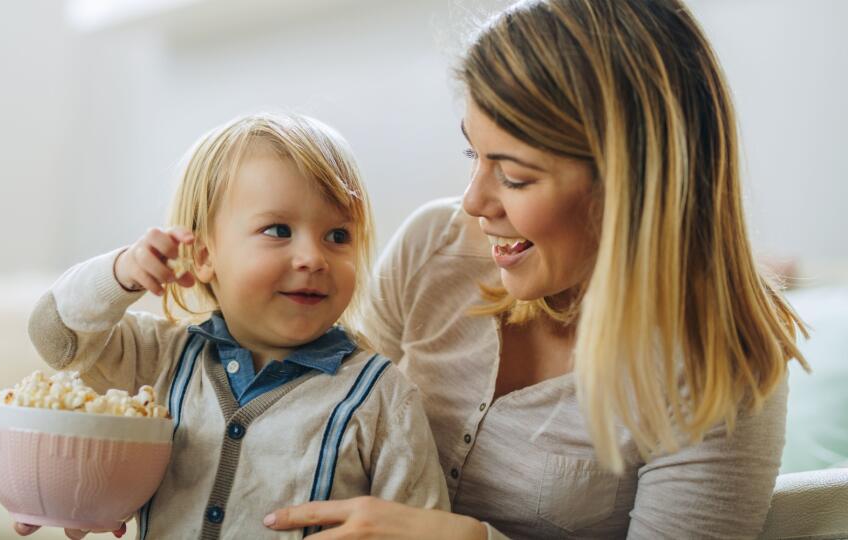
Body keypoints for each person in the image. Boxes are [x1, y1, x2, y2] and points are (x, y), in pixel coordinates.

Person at [263, 1, 807, 538]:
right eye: (472, 154)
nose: (474, 203)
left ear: (633, 185)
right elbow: (311, 404)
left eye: (516, 177)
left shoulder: (720, 369)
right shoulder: (435, 244)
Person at [15, 112, 449, 540]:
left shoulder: (383, 397)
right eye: (279, 230)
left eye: (337, 236)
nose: (313, 258)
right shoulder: (159, 357)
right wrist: (121, 271)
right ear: (203, 256)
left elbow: (422, 527)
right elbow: (56, 335)